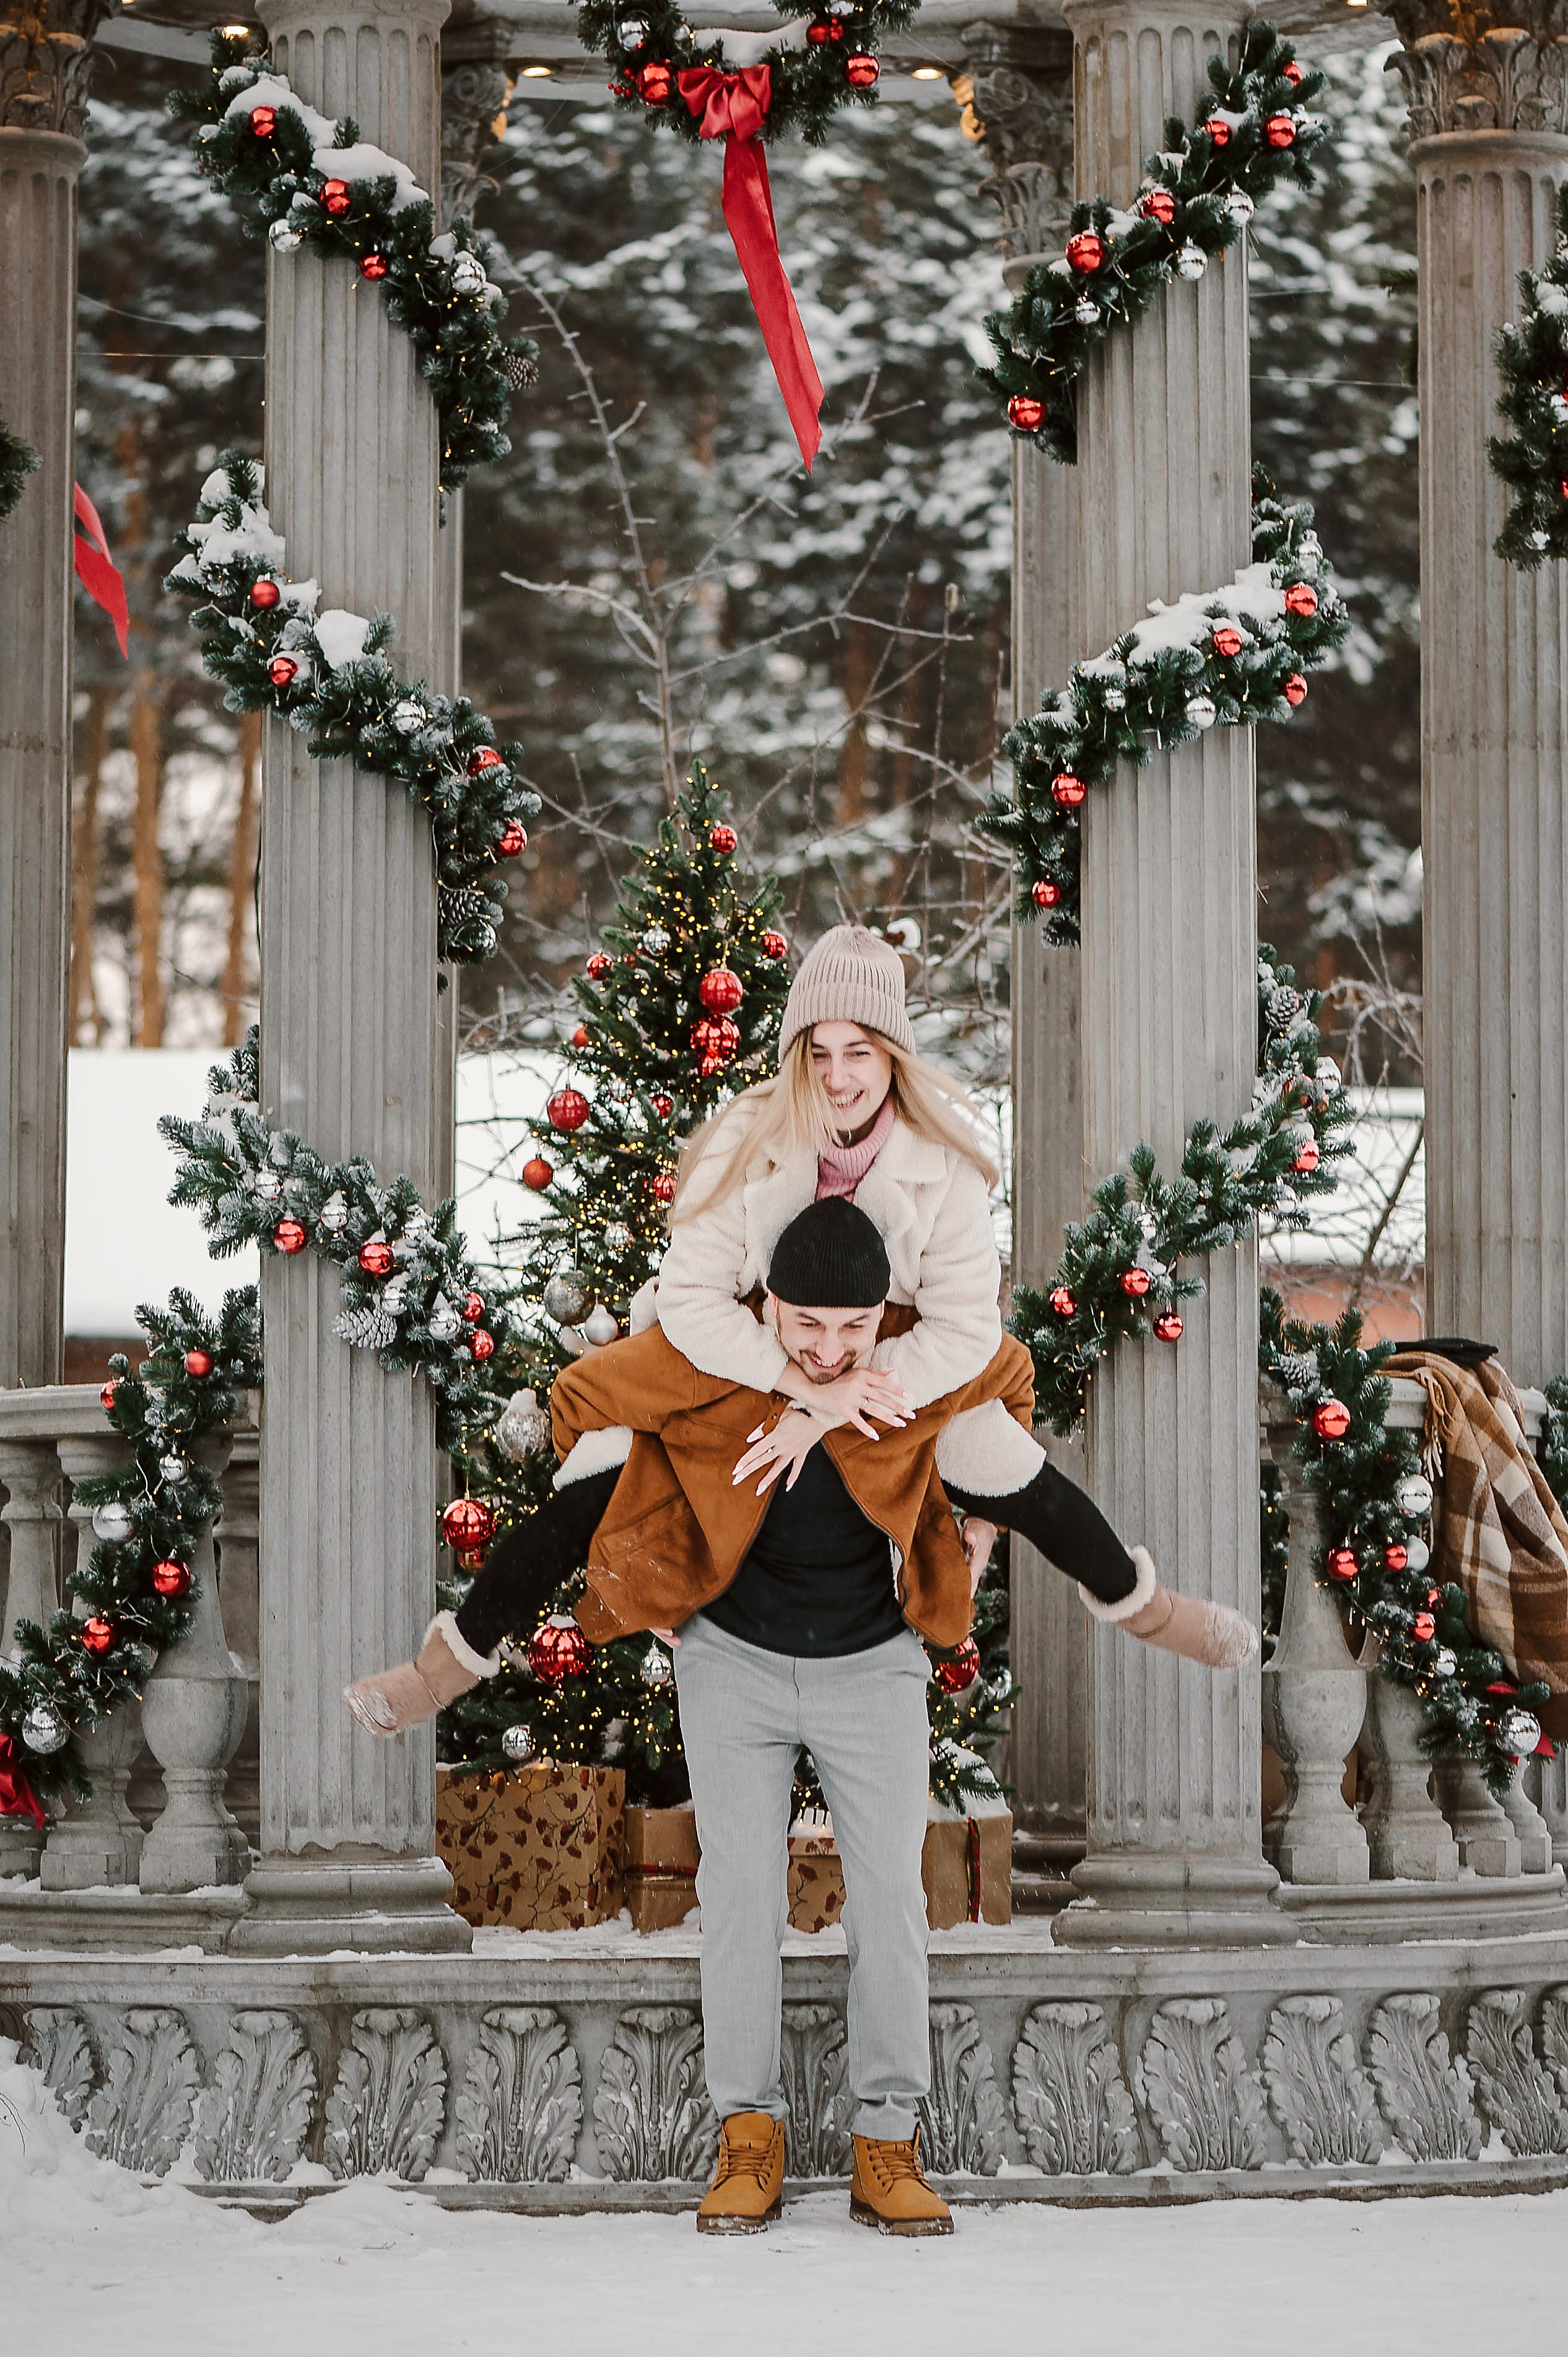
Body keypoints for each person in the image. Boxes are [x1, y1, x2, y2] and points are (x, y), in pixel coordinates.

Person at [346, 1200, 1257, 2237]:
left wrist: (1155, 1610)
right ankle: (747, 2134)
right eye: (806, 1326)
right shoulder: (710, 1384)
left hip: (875, 1669)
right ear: (768, 1307)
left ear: (884, 1320)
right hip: (731, 1662)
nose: (828, 1353)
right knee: (737, 1895)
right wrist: (448, 1663)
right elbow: (565, 1522)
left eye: (853, 1330)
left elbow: (1044, 1501)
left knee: (889, 1898)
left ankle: (888, 2138)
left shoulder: (917, 1393)